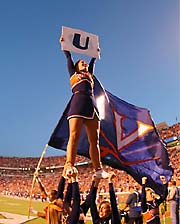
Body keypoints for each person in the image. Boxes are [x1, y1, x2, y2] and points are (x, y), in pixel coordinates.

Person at [60, 36, 108, 179]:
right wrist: (64, 45)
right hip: (78, 103)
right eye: (81, 62)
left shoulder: (89, 76)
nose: (84, 63)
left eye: (85, 62)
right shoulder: (73, 74)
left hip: (91, 106)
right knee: (74, 135)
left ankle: (98, 169)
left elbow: (92, 64)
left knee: (95, 140)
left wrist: (94, 57)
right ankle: (69, 164)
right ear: (76, 66)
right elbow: (68, 58)